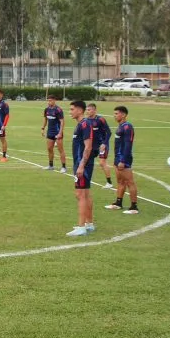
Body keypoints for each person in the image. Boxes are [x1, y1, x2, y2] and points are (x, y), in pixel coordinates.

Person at [67, 100, 96, 237]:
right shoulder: (82, 124)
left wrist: (81, 165)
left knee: (80, 194)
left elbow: (88, 146)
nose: (70, 112)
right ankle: (89, 224)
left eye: (72, 109)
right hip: (81, 164)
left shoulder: (85, 124)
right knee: (85, 194)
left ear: (79, 110)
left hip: (82, 165)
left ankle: (81, 227)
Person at [105, 106, 139, 215]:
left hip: (124, 159)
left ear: (123, 115)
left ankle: (134, 207)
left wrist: (123, 160)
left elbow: (128, 145)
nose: (114, 116)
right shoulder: (121, 126)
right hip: (118, 158)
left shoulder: (127, 127)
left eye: (116, 113)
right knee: (120, 182)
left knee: (130, 182)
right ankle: (118, 203)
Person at [87, 103, 114, 188]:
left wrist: (104, 143)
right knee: (87, 162)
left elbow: (109, 132)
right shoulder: (86, 120)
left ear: (94, 110)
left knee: (102, 163)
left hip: (102, 145)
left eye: (89, 110)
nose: (87, 112)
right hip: (92, 145)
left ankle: (109, 183)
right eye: (87, 110)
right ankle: (87, 179)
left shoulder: (100, 119)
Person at [41, 95, 67, 173]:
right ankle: (51, 165)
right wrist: (42, 128)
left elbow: (62, 122)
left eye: (50, 100)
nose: (49, 102)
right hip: (50, 132)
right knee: (49, 149)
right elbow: (45, 119)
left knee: (60, 149)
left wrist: (60, 133)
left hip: (58, 132)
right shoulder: (47, 109)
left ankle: (63, 167)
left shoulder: (58, 110)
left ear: (54, 100)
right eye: (48, 100)